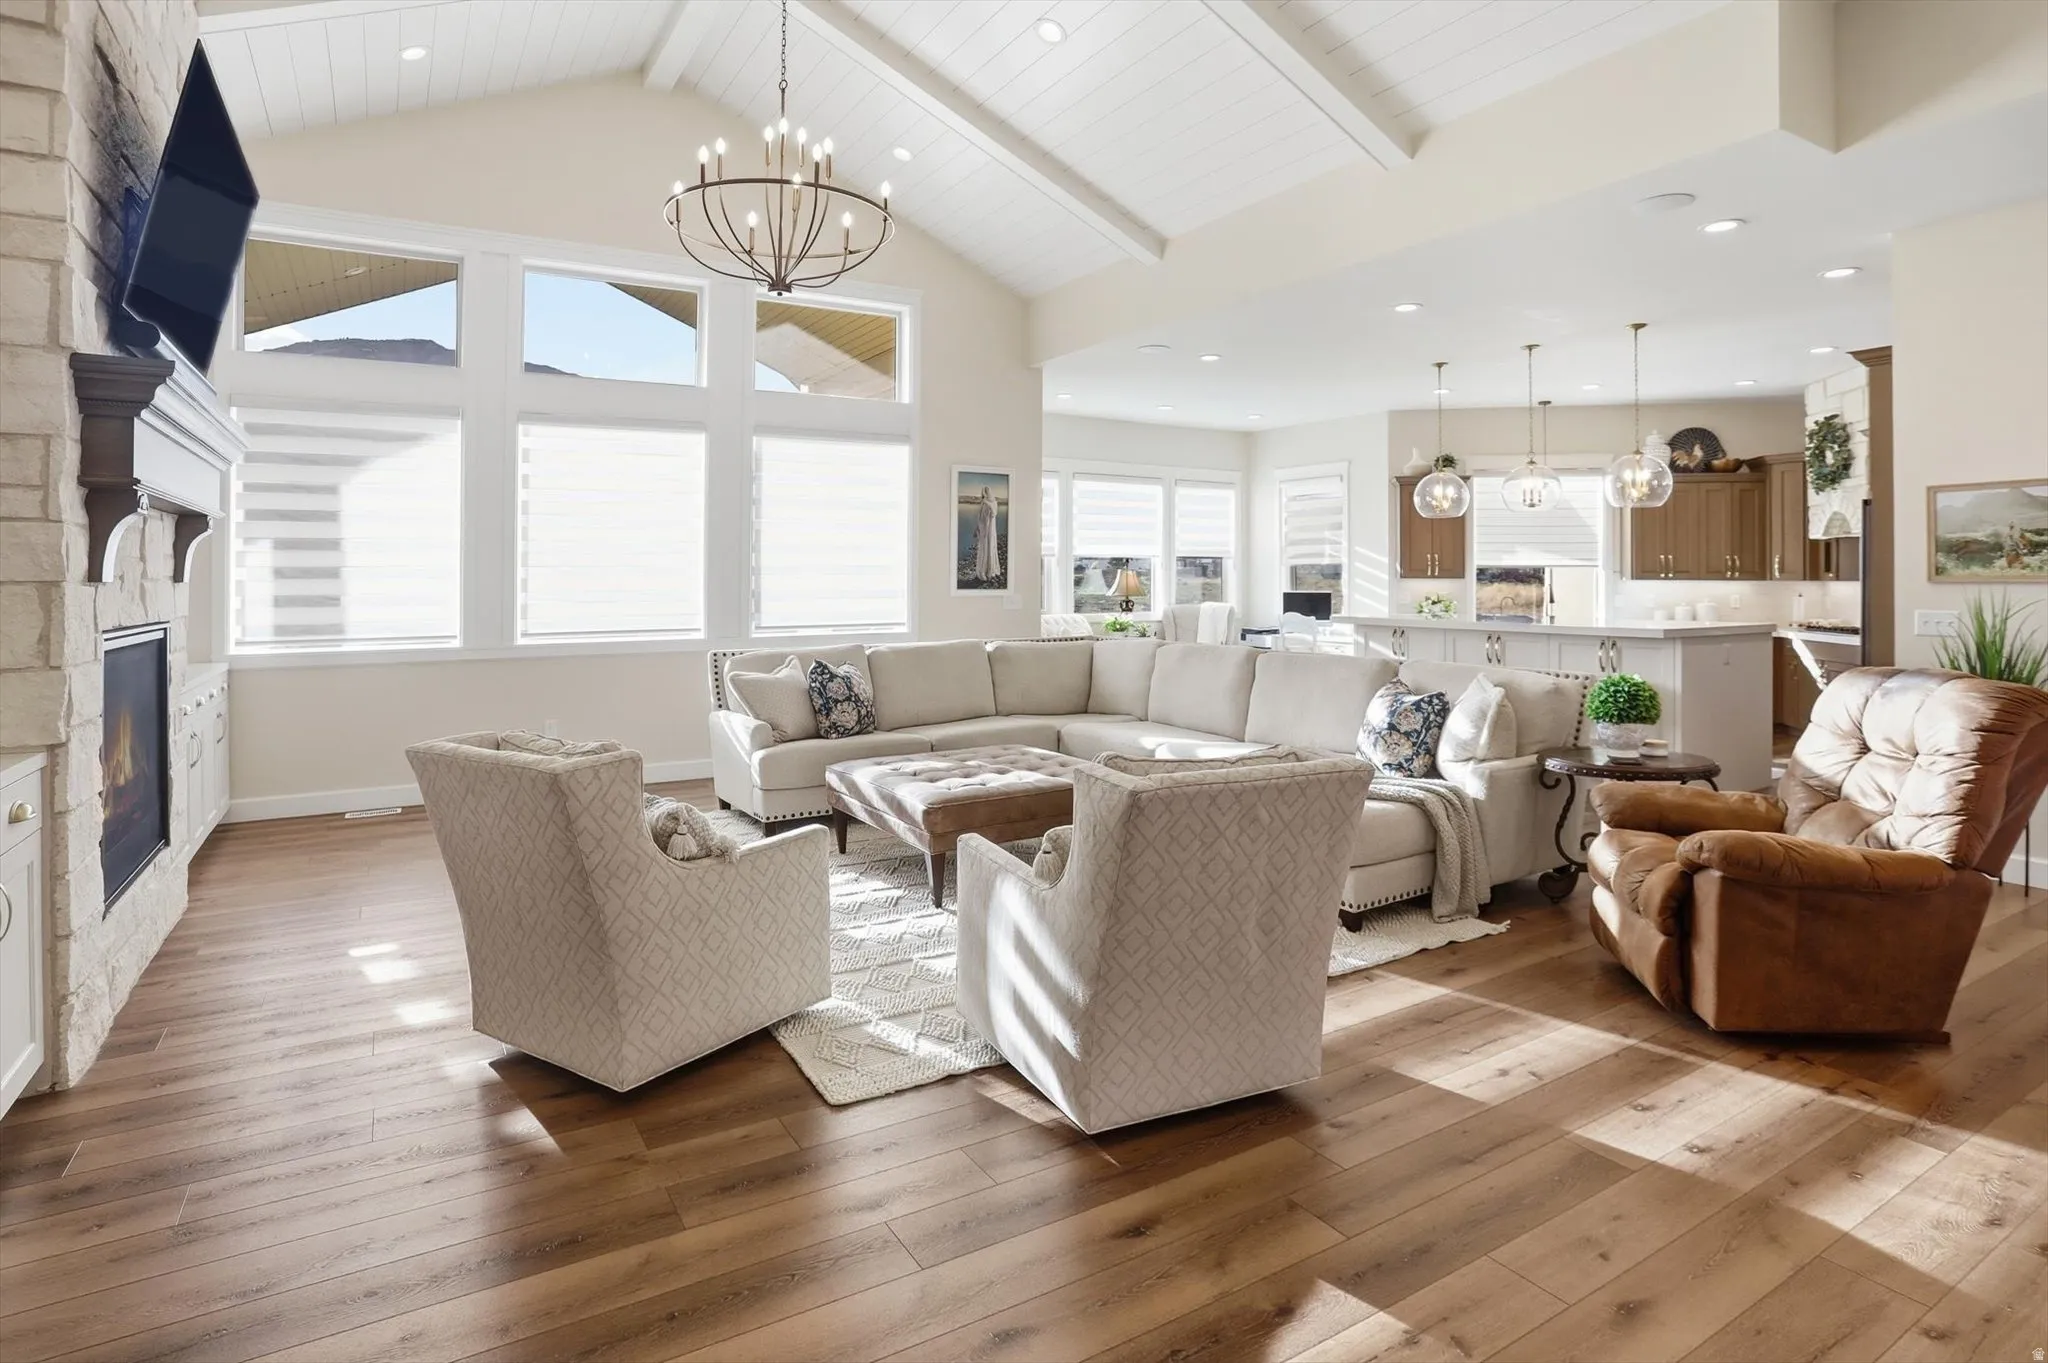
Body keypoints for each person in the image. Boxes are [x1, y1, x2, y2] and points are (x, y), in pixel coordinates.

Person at [971, 484, 1001, 583]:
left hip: (988, 530)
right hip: (988, 530)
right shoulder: (989, 503)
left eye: (984, 492)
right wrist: (978, 528)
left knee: (987, 548)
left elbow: (988, 516)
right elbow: (985, 516)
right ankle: (986, 571)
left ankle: (986, 571)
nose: (983, 495)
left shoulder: (989, 503)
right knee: (987, 549)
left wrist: (987, 503)